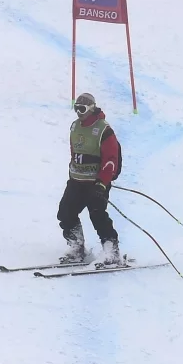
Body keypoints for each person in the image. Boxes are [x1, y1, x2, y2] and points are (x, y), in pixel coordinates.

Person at [57, 92, 124, 266]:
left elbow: (111, 159)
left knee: (98, 216)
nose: (79, 112)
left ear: (91, 108)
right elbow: (74, 152)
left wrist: (102, 183)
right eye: (76, 108)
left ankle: (112, 251)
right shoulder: (75, 127)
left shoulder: (103, 129)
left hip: (95, 183)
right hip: (76, 181)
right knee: (65, 213)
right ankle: (76, 248)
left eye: (83, 108)